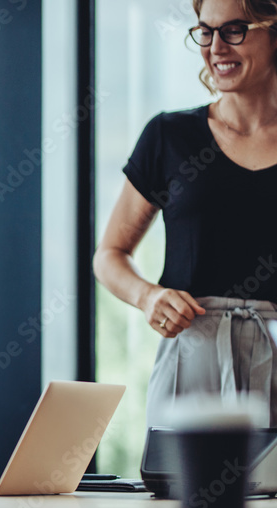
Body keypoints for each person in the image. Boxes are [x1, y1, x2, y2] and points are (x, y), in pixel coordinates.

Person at [94, 0, 277, 426]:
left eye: (235, 30)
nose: (216, 47)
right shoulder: (169, 136)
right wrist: (148, 296)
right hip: (190, 365)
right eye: (205, 31)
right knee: (184, 491)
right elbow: (109, 254)